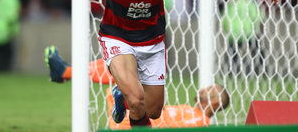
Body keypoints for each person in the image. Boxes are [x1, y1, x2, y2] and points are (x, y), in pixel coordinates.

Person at [3, 0, 292, 128]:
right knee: (137, 101)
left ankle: (121, 95)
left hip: (153, 43)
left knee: (152, 112)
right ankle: (122, 93)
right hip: (117, 37)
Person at [44, 45, 230, 129]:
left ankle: (65, 72)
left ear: (215, 102)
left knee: (129, 69)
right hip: (130, 117)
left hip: (135, 125)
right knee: (124, 65)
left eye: (210, 91)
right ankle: (66, 72)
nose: (203, 89)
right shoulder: (188, 110)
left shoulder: (202, 123)